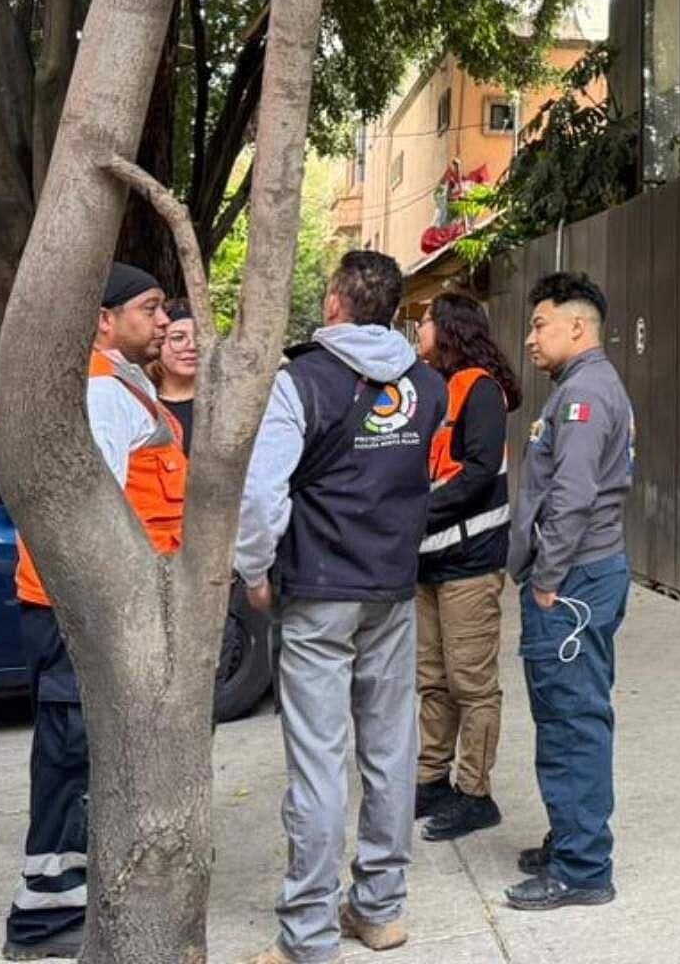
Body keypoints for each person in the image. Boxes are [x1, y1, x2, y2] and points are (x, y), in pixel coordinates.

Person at [236, 251, 445, 964]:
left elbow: (264, 494)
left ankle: (308, 937)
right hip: (391, 589)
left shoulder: (302, 384)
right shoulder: (428, 387)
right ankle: (381, 910)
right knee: (390, 752)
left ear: (333, 304)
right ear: (390, 309)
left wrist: (254, 570)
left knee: (318, 765)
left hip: (319, 592)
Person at [3, 263, 181, 962]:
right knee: (70, 758)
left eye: (164, 308)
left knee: (87, 757)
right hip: (79, 609)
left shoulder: (127, 388)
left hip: (96, 606)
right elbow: (93, 512)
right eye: (149, 308)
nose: (163, 321)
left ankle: (73, 898)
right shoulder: (101, 392)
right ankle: (42, 919)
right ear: (104, 319)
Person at [504, 271, 635, 912]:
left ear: (576, 327)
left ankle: (583, 868)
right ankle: (572, 838)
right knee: (563, 714)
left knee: (572, 719)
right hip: (578, 577)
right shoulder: (580, 388)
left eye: (539, 324)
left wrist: (548, 580)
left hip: (575, 581)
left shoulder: (585, 396)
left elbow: (572, 497)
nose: (530, 338)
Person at [411, 292, 521, 842]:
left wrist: (416, 511)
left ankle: (475, 793)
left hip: (469, 561)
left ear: (449, 328)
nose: (419, 329)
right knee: (432, 681)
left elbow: (477, 473)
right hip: (431, 560)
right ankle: (432, 779)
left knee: (471, 683)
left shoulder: (480, 389)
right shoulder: (439, 387)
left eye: (426, 321)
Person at [152, 299, 199, 453]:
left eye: (199, 337)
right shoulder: (142, 401)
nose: (192, 346)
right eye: (178, 338)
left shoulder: (224, 402)